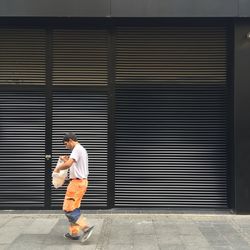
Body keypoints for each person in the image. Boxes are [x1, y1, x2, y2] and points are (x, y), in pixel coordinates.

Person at [53, 132, 94, 241]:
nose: (66, 147)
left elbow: (68, 165)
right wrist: (66, 160)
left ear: (71, 140)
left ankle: (86, 228)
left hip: (76, 184)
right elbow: (74, 166)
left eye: (66, 144)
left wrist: (57, 169)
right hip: (81, 183)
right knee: (74, 208)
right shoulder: (81, 149)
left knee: (68, 208)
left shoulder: (77, 149)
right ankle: (74, 234)